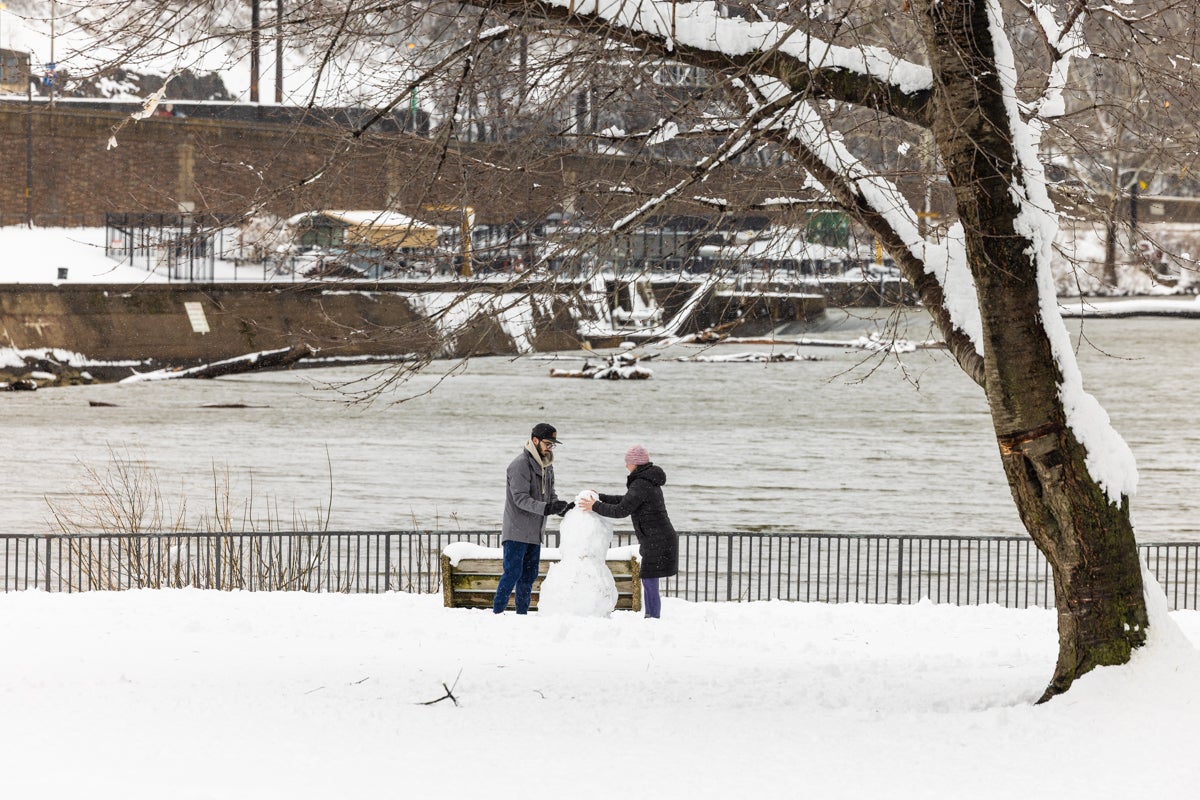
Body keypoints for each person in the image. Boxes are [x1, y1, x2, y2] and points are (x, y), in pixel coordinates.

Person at [577, 444, 678, 618]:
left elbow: (621, 510)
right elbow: (626, 500)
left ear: (635, 463)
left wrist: (595, 506)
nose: (626, 466)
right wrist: (601, 497)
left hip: (657, 538)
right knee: (649, 578)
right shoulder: (645, 481)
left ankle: (652, 617)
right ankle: (652, 616)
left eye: (628, 462)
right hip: (657, 537)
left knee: (649, 578)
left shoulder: (641, 483)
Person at [493, 423, 573, 614]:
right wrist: (547, 508)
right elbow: (520, 498)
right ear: (535, 440)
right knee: (512, 574)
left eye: (553, 445)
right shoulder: (519, 465)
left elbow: (549, 494)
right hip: (516, 531)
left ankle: (522, 614)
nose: (550, 448)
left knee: (529, 576)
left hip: (535, 532)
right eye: (547, 443)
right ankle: (497, 612)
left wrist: (559, 507)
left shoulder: (547, 465)